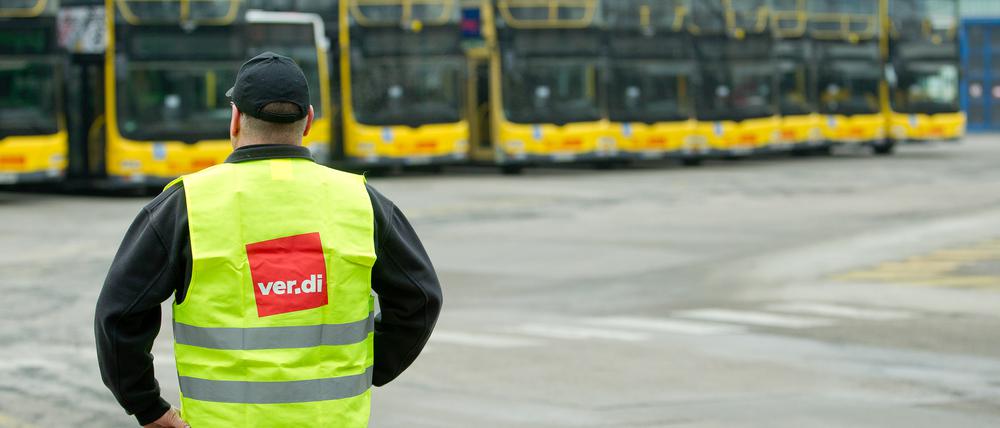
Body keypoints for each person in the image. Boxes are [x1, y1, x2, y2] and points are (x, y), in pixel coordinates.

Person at [95, 52, 443, 427]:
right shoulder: (362, 202)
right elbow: (420, 299)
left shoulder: (185, 205)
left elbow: (119, 316)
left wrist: (147, 406)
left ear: (234, 120)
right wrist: (370, 366)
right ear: (308, 121)